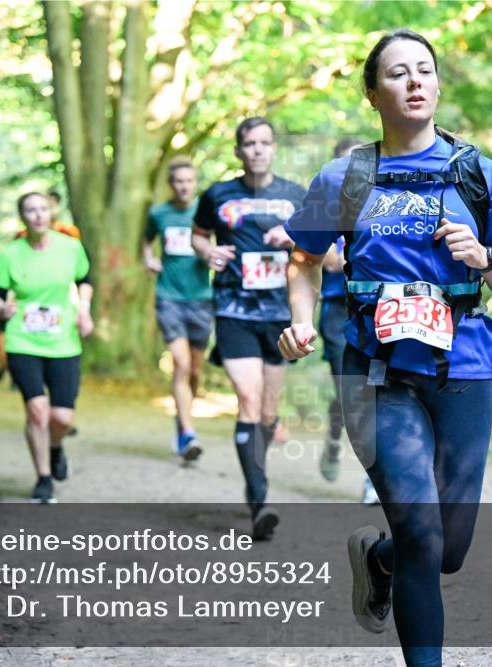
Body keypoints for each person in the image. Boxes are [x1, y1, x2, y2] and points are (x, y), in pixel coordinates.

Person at [280, 31, 492, 667]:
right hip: (373, 369)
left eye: (425, 70)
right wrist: (301, 321)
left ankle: (378, 557)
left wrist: (485, 258)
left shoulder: (477, 172)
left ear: (438, 85)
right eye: (398, 73)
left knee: (448, 548)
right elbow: (302, 261)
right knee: (422, 530)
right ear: (374, 93)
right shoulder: (345, 176)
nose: (415, 81)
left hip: (463, 364)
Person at [192, 117, 307, 539]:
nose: (257, 150)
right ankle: (260, 500)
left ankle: (254, 479)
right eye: (249, 144)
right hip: (234, 308)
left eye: (264, 143)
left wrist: (292, 237)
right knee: (248, 399)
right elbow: (198, 235)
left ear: (274, 148)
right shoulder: (218, 194)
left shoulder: (296, 195)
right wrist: (209, 251)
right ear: (238, 151)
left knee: (269, 412)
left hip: (279, 312)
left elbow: (318, 249)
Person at [0, 192, 93, 504]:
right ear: (23, 217)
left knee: (62, 418)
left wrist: (84, 310)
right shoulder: (10, 254)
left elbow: (86, 279)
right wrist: (1, 309)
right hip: (23, 339)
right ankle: (43, 478)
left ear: (52, 213)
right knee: (37, 410)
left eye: (43, 209)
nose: (38, 215)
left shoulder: (70, 248)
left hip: (63, 342)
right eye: (31, 210)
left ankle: (55, 447)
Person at [315, 138, 380, 506]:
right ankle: (334, 438)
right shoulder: (327, 206)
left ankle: (375, 479)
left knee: (376, 394)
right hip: (340, 311)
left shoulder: (387, 202)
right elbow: (326, 261)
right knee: (350, 393)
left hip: (380, 311)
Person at [143, 156, 212, 461]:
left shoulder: (207, 212)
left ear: (195, 183)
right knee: (181, 364)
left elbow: (223, 243)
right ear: (171, 185)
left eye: (189, 181)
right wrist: (148, 258)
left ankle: (183, 420)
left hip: (201, 297)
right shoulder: (159, 213)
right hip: (168, 296)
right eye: (178, 181)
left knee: (195, 370)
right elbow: (145, 242)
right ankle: (187, 432)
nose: (184, 186)